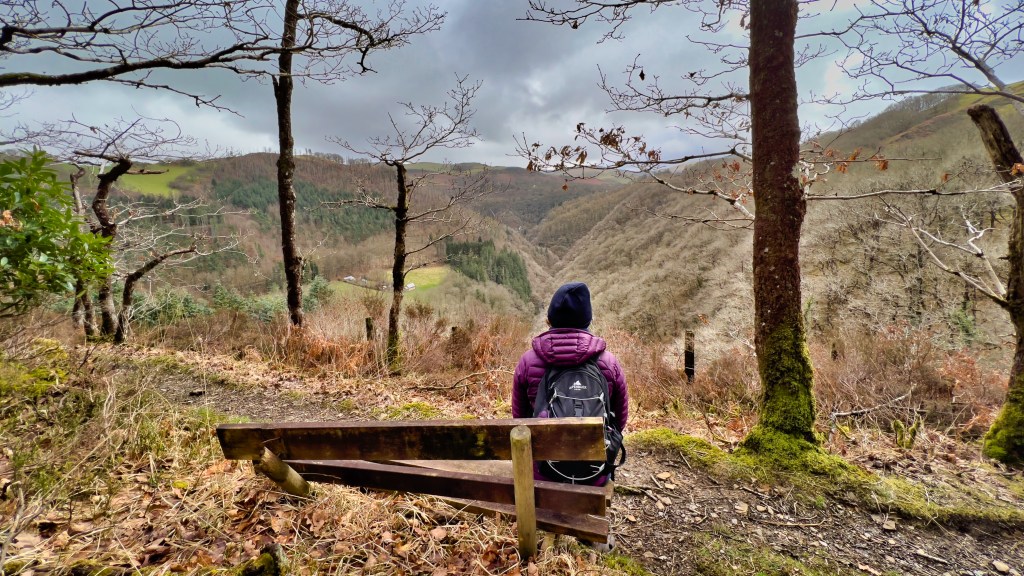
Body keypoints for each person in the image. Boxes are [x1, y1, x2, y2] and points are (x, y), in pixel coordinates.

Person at [511, 281, 628, 487]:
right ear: (588, 319)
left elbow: (520, 420)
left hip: (543, 472)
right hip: (594, 475)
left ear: (550, 318)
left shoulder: (528, 362)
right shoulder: (609, 363)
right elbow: (619, 420)